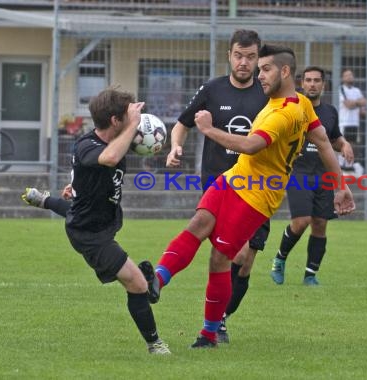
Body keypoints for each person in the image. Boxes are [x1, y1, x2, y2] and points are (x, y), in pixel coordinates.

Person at [149, 44, 355, 348]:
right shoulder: (301, 103)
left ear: (285, 72)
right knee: (197, 223)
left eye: (265, 69)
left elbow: (250, 146)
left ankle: (209, 333)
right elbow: (323, 141)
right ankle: (156, 280)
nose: (259, 75)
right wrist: (341, 185)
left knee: (220, 260)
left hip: (256, 197)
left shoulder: (283, 114)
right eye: (259, 69)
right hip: (232, 180)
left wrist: (208, 129)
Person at [165, 29, 268, 344]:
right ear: (229, 55)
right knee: (230, 254)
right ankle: (215, 323)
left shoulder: (267, 95)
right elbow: (182, 124)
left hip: (257, 187)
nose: (244, 62)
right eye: (239, 55)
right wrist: (175, 147)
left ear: (258, 59)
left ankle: (219, 318)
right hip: (217, 186)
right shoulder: (212, 90)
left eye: (251, 57)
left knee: (246, 260)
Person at [50, 87, 170, 354]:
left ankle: (149, 289)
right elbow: (109, 158)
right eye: (127, 117)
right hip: (90, 235)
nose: (134, 122)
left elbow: (82, 171)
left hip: (100, 222)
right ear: (115, 121)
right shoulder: (89, 145)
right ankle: (156, 345)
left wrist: (72, 186)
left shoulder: (113, 139)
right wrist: (134, 125)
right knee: (136, 284)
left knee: (137, 283)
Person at [270, 66, 354, 286]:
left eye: (317, 80)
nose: (312, 84)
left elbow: (333, 139)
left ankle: (310, 275)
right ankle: (280, 258)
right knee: (302, 221)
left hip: (323, 174)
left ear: (323, 85)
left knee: (319, 224)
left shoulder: (330, 112)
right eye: (308, 80)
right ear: (302, 83)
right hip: (297, 172)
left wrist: (344, 144)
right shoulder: (291, 108)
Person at [339, 68, 367, 175]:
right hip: (344, 122)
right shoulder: (341, 89)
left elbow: (364, 102)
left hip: (354, 122)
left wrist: (354, 102)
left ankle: (348, 166)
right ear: (343, 78)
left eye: (351, 75)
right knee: (343, 144)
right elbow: (348, 105)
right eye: (347, 75)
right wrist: (357, 103)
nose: (349, 77)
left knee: (352, 145)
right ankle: (341, 166)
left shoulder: (357, 91)